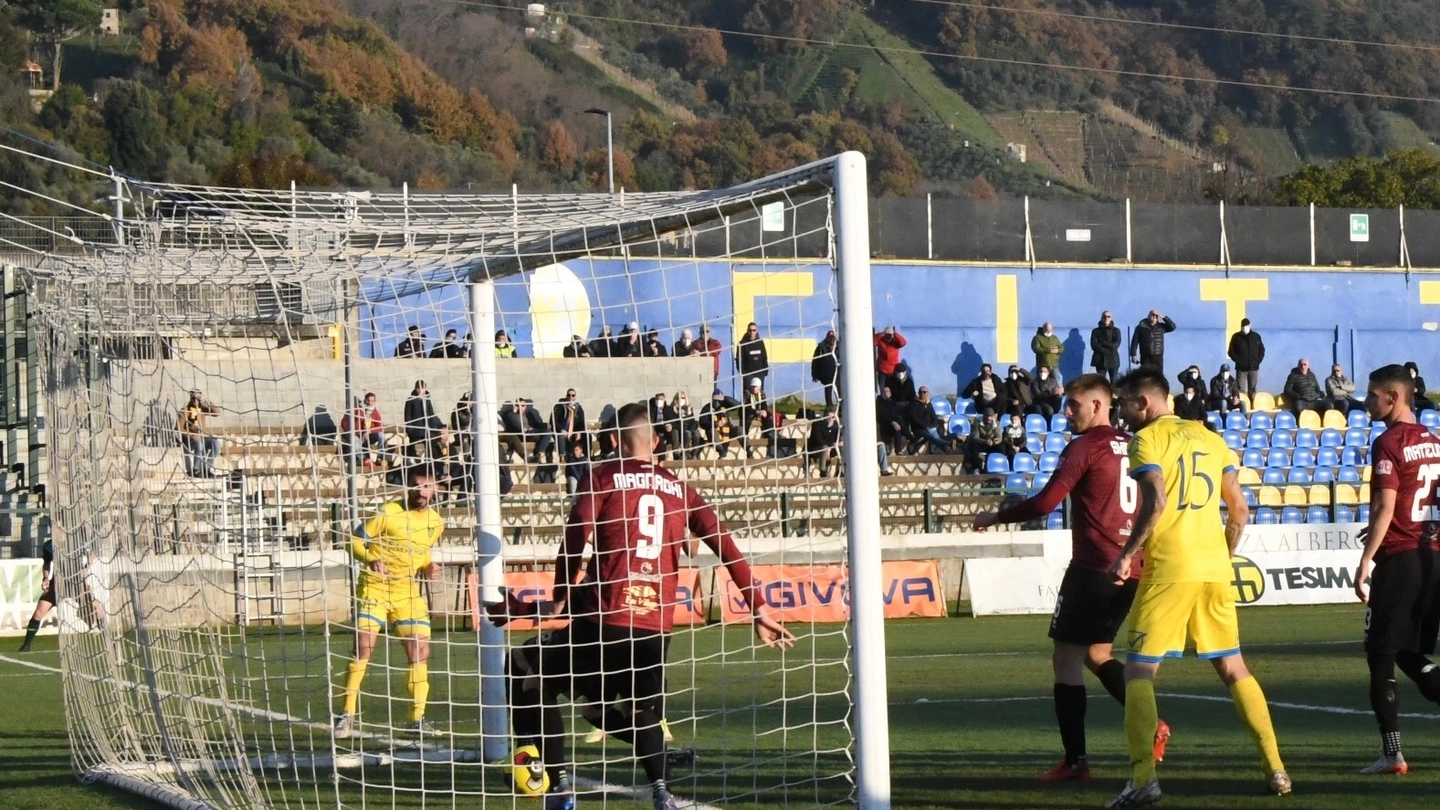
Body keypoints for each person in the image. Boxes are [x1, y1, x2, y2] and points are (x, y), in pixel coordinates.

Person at [496, 402, 795, 810]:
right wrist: (758, 606)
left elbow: (577, 535)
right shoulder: (683, 490)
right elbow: (726, 546)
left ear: (613, 440)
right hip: (655, 627)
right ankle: (662, 793)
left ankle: (557, 784)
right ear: (655, 442)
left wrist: (559, 597)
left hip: (606, 617)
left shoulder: (601, 477)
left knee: (525, 668)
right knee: (628, 711)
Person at [1103, 369, 1289, 807]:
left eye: (1125, 403)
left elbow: (1157, 500)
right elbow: (1239, 510)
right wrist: (1222, 555)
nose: (1121, 412)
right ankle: (1276, 768)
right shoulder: (1211, 438)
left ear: (1144, 403)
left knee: (1139, 671)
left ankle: (1143, 779)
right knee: (1234, 667)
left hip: (1170, 567)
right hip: (1214, 569)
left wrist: (1128, 553)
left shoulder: (1146, 441)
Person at [973, 374, 1164, 781]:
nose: (1066, 412)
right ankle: (1151, 725)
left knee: (1066, 659)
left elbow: (1046, 501)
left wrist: (997, 516)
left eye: (1073, 405)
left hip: (1095, 567)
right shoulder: (1136, 444)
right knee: (1097, 654)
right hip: (1132, 567)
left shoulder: (1086, 446)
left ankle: (1075, 762)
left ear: (1098, 406)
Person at [1352, 364, 1440, 775]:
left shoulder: (1389, 441)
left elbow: (1387, 504)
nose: (1367, 402)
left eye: (1372, 395)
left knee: (1381, 656)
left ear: (1394, 397)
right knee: (1410, 652)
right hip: (1432, 556)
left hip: (1400, 559)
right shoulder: (1435, 441)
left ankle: (1392, 753)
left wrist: (1366, 559)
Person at [333, 465, 445, 736]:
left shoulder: (436, 522)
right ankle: (346, 713)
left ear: (435, 489)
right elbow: (353, 541)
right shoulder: (387, 513)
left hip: (406, 592)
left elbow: (421, 554)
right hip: (375, 589)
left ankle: (416, 719)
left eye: (426, 486)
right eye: (416, 486)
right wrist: (372, 558)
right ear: (407, 487)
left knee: (420, 652)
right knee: (364, 648)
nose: (420, 492)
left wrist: (429, 567)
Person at [17, 536, 55, 652]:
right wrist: (45, 578)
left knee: (92, 611)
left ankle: (108, 640)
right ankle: (26, 645)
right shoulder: (49, 545)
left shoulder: (75, 540)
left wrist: (86, 567)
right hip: (57, 584)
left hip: (75, 582)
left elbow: (92, 552)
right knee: (39, 612)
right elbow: (47, 563)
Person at [180, 389, 221, 478]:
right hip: (190, 439)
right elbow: (179, 428)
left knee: (216, 444)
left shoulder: (202, 410)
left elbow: (217, 413)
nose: (196, 401)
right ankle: (196, 470)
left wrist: (207, 400)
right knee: (199, 445)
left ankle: (206, 469)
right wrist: (191, 435)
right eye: (194, 398)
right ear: (190, 398)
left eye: (198, 398)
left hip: (202, 437)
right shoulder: (185, 410)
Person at [404, 380, 446, 458]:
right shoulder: (411, 400)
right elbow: (408, 416)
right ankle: (413, 457)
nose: (420, 390)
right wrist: (409, 429)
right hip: (416, 429)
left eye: (422, 388)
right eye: (418, 388)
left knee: (434, 439)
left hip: (427, 428)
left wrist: (440, 425)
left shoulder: (427, 400)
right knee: (416, 442)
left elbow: (432, 414)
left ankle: (434, 457)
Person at [1227, 318, 1265, 400]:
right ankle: (1243, 406)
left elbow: (1262, 350)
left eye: (1247, 325)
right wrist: (1238, 361)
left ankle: (1252, 406)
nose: (1245, 327)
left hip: (1253, 368)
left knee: (1253, 389)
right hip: (1241, 369)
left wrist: (1258, 361)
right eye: (1243, 326)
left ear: (1250, 325)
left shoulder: (1256, 336)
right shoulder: (1236, 337)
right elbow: (1230, 351)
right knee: (1240, 389)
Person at [1128, 310, 1176, 375]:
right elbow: (1134, 341)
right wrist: (1134, 355)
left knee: (1158, 377)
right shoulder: (1140, 327)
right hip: (1145, 357)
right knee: (1145, 377)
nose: (1154, 317)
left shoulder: (1161, 327)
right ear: (1148, 316)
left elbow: (1173, 327)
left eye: (1156, 316)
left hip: (1158, 356)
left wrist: (1162, 316)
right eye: (1152, 315)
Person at [742, 378, 777, 459]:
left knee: (769, 417)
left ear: (760, 387)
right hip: (749, 412)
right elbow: (744, 407)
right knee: (748, 418)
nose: (754, 389)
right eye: (753, 387)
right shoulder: (746, 394)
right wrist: (755, 412)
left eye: (756, 387)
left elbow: (764, 405)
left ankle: (769, 434)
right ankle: (745, 434)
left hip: (758, 412)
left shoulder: (762, 394)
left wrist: (764, 411)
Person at [700, 388, 740, 458]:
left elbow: (737, 405)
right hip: (715, 433)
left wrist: (725, 398)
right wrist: (716, 424)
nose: (717, 402)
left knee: (740, 429)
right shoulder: (707, 408)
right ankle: (721, 451)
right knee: (711, 431)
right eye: (715, 400)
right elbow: (702, 422)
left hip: (727, 431)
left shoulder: (725, 405)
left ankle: (748, 450)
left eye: (719, 400)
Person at [908, 387, 949, 455]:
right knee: (929, 435)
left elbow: (934, 417)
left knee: (933, 432)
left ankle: (943, 447)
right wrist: (924, 426)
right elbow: (914, 418)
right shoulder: (914, 404)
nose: (922, 394)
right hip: (918, 428)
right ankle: (945, 444)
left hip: (929, 427)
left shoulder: (929, 404)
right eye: (920, 392)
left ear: (928, 393)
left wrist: (933, 425)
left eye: (924, 392)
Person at [552, 389, 588, 464]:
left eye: (573, 395)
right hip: (562, 430)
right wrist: (561, 429)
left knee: (587, 436)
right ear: (566, 396)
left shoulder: (578, 408)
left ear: (575, 397)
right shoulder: (559, 406)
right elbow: (553, 421)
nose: (570, 397)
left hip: (573, 431)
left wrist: (579, 432)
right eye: (569, 395)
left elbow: (582, 422)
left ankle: (587, 456)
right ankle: (562, 457)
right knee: (561, 436)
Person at [964, 408, 1004, 473]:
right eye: (987, 416)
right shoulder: (977, 422)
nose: (988, 419)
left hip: (992, 444)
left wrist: (995, 441)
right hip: (981, 443)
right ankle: (976, 467)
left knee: (1002, 447)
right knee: (974, 445)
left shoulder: (997, 424)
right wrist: (985, 441)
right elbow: (975, 437)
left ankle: (997, 466)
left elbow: (999, 437)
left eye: (990, 417)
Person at [806, 407, 841, 476]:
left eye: (833, 417)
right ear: (824, 417)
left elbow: (838, 439)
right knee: (825, 447)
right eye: (829, 417)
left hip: (831, 448)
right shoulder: (817, 424)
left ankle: (840, 470)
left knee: (843, 447)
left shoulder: (836, 426)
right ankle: (823, 470)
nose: (831, 419)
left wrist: (833, 446)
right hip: (817, 449)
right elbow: (818, 439)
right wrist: (830, 446)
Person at [875, 385, 909, 456]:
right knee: (898, 422)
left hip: (894, 425)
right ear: (881, 393)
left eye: (887, 391)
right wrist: (892, 422)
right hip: (884, 425)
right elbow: (881, 415)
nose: (886, 393)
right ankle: (909, 435)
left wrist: (894, 422)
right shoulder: (879, 402)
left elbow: (895, 414)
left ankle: (898, 451)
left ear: (890, 393)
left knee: (897, 427)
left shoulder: (892, 402)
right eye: (884, 392)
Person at [1090, 311, 1122, 384]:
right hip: (1100, 360)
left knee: (1114, 382)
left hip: (1113, 359)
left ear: (1111, 318)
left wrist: (1102, 342)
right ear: (1101, 318)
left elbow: (1115, 345)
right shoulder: (1096, 331)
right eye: (1104, 316)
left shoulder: (1116, 331)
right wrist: (1106, 350)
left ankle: (1114, 395)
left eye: (1108, 317)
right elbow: (1094, 345)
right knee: (1100, 383)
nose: (1106, 318)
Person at [811, 330, 840, 409]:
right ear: (827, 338)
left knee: (839, 391)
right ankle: (829, 407)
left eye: (833, 338)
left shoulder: (839, 346)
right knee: (828, 391)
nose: (831, 340)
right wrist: (814, 375)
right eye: (830, 338)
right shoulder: (821, 347)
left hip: (838, 374)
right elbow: (815, 361)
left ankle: (841, 407)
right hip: (827, 374)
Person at [873, 325, 906, 392]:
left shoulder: (895, 342)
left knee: (893, 389)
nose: (888, 336)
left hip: (893, 370)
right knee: (882, 389)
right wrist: (882, 333)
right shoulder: (881, 341)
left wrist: (895, 333)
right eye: (887, 335)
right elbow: (873, 341)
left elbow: (903, 342)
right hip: (882, 370)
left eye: (890, 335)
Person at [736, 322, 769, 389]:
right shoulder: (742, 344)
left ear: (757, 331)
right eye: (750, 330)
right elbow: (739, 359)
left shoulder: (760, 342)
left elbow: (764, 356)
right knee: (747, 393)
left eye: (754, 330)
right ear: (747, 331)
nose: (752, 332)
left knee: (759, 394)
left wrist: (765, 370)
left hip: (760, 373)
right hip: (748, 374)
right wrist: (743, 373)